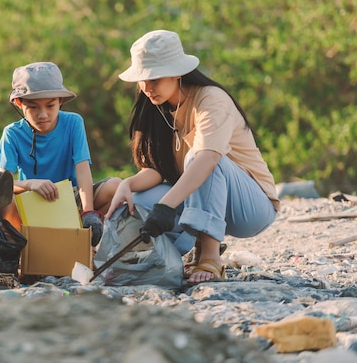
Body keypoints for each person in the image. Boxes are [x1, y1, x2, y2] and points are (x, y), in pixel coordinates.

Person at [106, 30, 280, 284]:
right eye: (141, 79)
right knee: (139, 198)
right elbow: (154, 171)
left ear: (177, 72)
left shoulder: (211, 100)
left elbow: (208, 160)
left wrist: (165, 207)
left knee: (200, 159)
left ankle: (209, 256)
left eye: (154, 78)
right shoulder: (156, 108)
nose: (146, 88)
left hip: (251, 208)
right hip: (206, 199)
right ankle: (165, 257)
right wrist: (127, 185)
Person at [0, 61, 121, 246]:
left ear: (60, 101)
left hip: (71, 200)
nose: (43, 114)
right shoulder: (12, 133)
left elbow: (82, 169)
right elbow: (1, 185)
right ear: (19, 104)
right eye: (33, 107)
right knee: (2, 200)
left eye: (50, 105)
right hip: (32, 203)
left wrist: (89, 213)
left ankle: (80, 242)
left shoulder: (73, 123)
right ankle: (22, 248)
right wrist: (30, 184)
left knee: (115, 185)